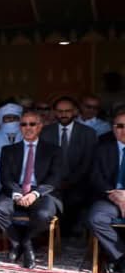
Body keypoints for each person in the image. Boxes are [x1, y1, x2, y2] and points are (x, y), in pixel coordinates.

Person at [0, 110, 63, 269]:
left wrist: (35, 194)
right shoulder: (8, 150)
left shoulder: (53, 150)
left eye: (32, 124)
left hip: (42, 192)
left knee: (44, 215)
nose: (28, 128)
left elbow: (55, 178)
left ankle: (27, 241)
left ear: (40, 126)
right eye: (24, 124)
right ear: (19, 127)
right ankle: (17, 242)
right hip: (15, 190)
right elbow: (5, 177)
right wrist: (16, 193)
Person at [41, 96, 97, 235]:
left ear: (75, 111)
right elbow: (42, 161)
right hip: (52, 184)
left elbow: (88, 162)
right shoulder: (45, 132)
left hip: (78, 184)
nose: (64, 114)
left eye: (68, 111)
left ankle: (72, 233)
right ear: (54, 112)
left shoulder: (88, 133)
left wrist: (70, 182)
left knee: (78, 198)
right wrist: (55, 181)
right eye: (60, 111)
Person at [84, 108, 125, 273]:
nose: (124, 130)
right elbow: (95, 177)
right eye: (120, 126)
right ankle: (121, 257)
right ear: (113, 128)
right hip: (108, 199)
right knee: (96, 218)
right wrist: (115, 195)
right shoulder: (102, 148)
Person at [0, 102, 23, 202]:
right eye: (8, 118)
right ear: (1, 119)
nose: (11, 120)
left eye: (15, 118)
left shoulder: (26, 135)